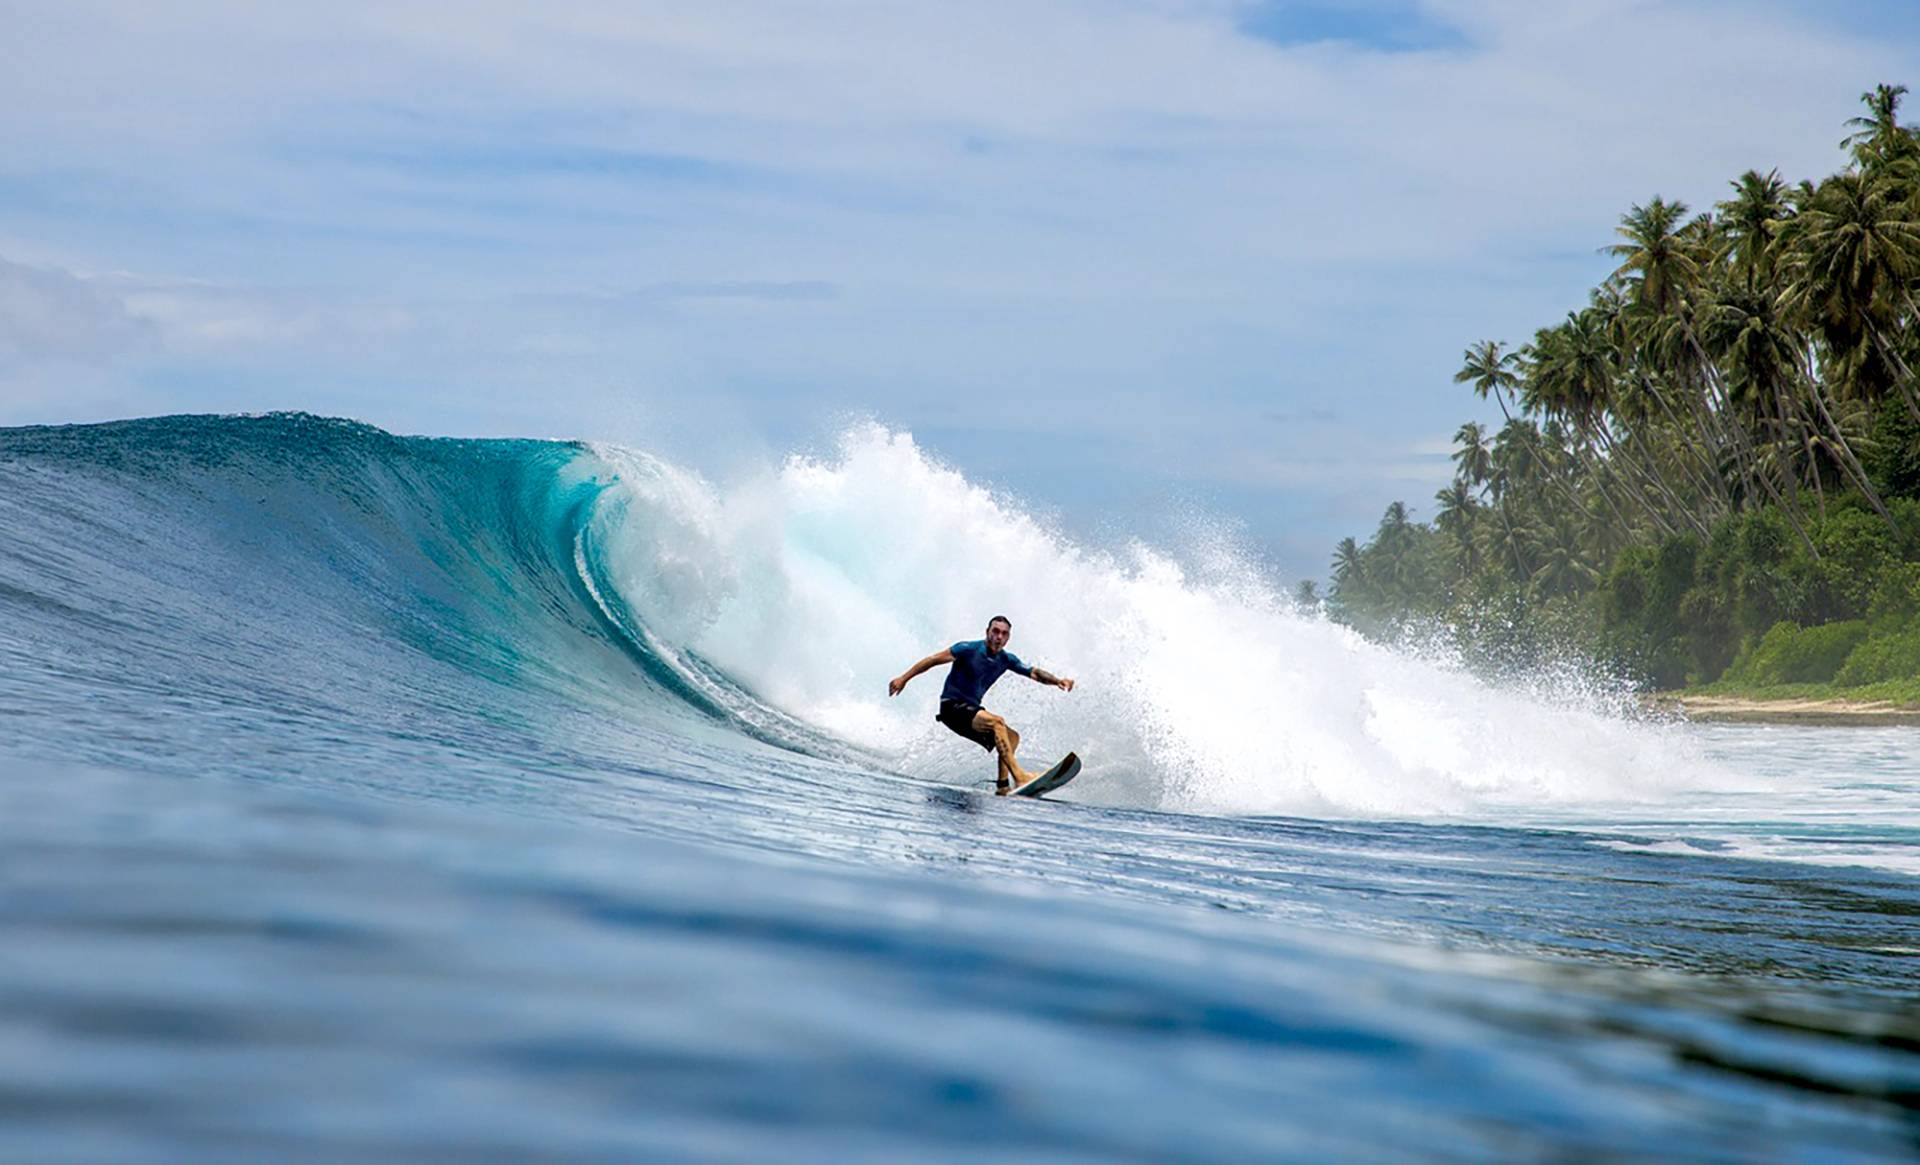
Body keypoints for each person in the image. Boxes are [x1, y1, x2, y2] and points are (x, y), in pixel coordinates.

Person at [888, 615, 1075, 793]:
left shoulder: (1006, 659)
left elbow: (1034, 673)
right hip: (951, 707)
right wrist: (903, 678)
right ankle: (1020, 776)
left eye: (1004, 634)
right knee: (997, 722)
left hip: (971, 710)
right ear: (987, 632)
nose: (998, 637)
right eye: (995, 631)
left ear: (1008, 638)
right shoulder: (967, 649)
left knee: (1012, 737)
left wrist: (1057, 680)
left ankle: (1003, 786)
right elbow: (932, 660)